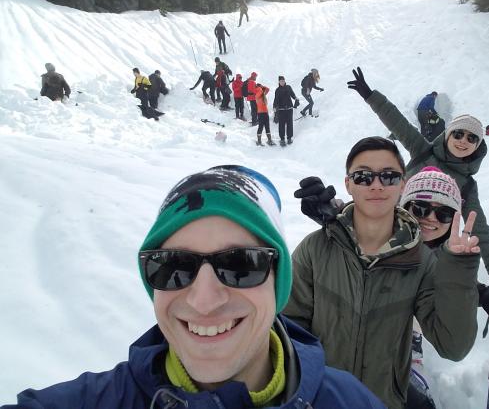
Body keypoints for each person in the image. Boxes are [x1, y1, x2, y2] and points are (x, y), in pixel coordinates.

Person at [6, 165, 386, 409]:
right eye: (173, 266)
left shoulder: (352, 401)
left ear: (278, 282)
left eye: (241, 264)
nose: (204, 301)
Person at [283, 136, 481, 409]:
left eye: (388, 176)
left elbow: (453, 346)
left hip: (384, 401)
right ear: (348, 184)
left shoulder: (423, 262)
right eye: (363, 176)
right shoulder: (315, 249)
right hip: (320, 399)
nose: (376, 184)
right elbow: (290, 332)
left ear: (401, 184)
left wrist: (460, 269)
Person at [348, 67, 489, 294]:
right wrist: (370, 95)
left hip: (428, 247)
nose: (463, 141)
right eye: (459, 134)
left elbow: (479, 227)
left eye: (472, 138)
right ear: (448, 134)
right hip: (391, 225)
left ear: (477, 146)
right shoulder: (423, 150)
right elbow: (398, 123)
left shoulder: (467, 186)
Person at [273, 76, 300, 146]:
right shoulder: (277, 90)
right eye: (281, 81)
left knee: (289, 124)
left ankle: (289, 138)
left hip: (289, 109)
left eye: (283, 81)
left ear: (285, 81)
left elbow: (292, 94)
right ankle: (282, 139)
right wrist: (274, 107)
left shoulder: (288, 87)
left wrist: (296, 98)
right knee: (281, 125)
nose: (282, 82)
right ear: (279, 82)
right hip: (281, 110)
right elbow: (275, 100)